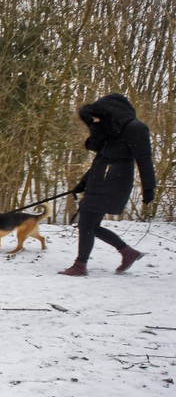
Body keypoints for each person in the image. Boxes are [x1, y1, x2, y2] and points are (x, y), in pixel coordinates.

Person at [59, 93, 156, 277]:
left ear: (111, 113)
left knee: (86, 222)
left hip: (115, 182)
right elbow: (100, 160)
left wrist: (149, 188)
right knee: (91, 225)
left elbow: (144, 160)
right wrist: (82, 183)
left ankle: (80, 265)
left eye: (97, 117)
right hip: (99, 181)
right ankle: (128, 252)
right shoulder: (108, 131)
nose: (94, 120)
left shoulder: (136, 129)